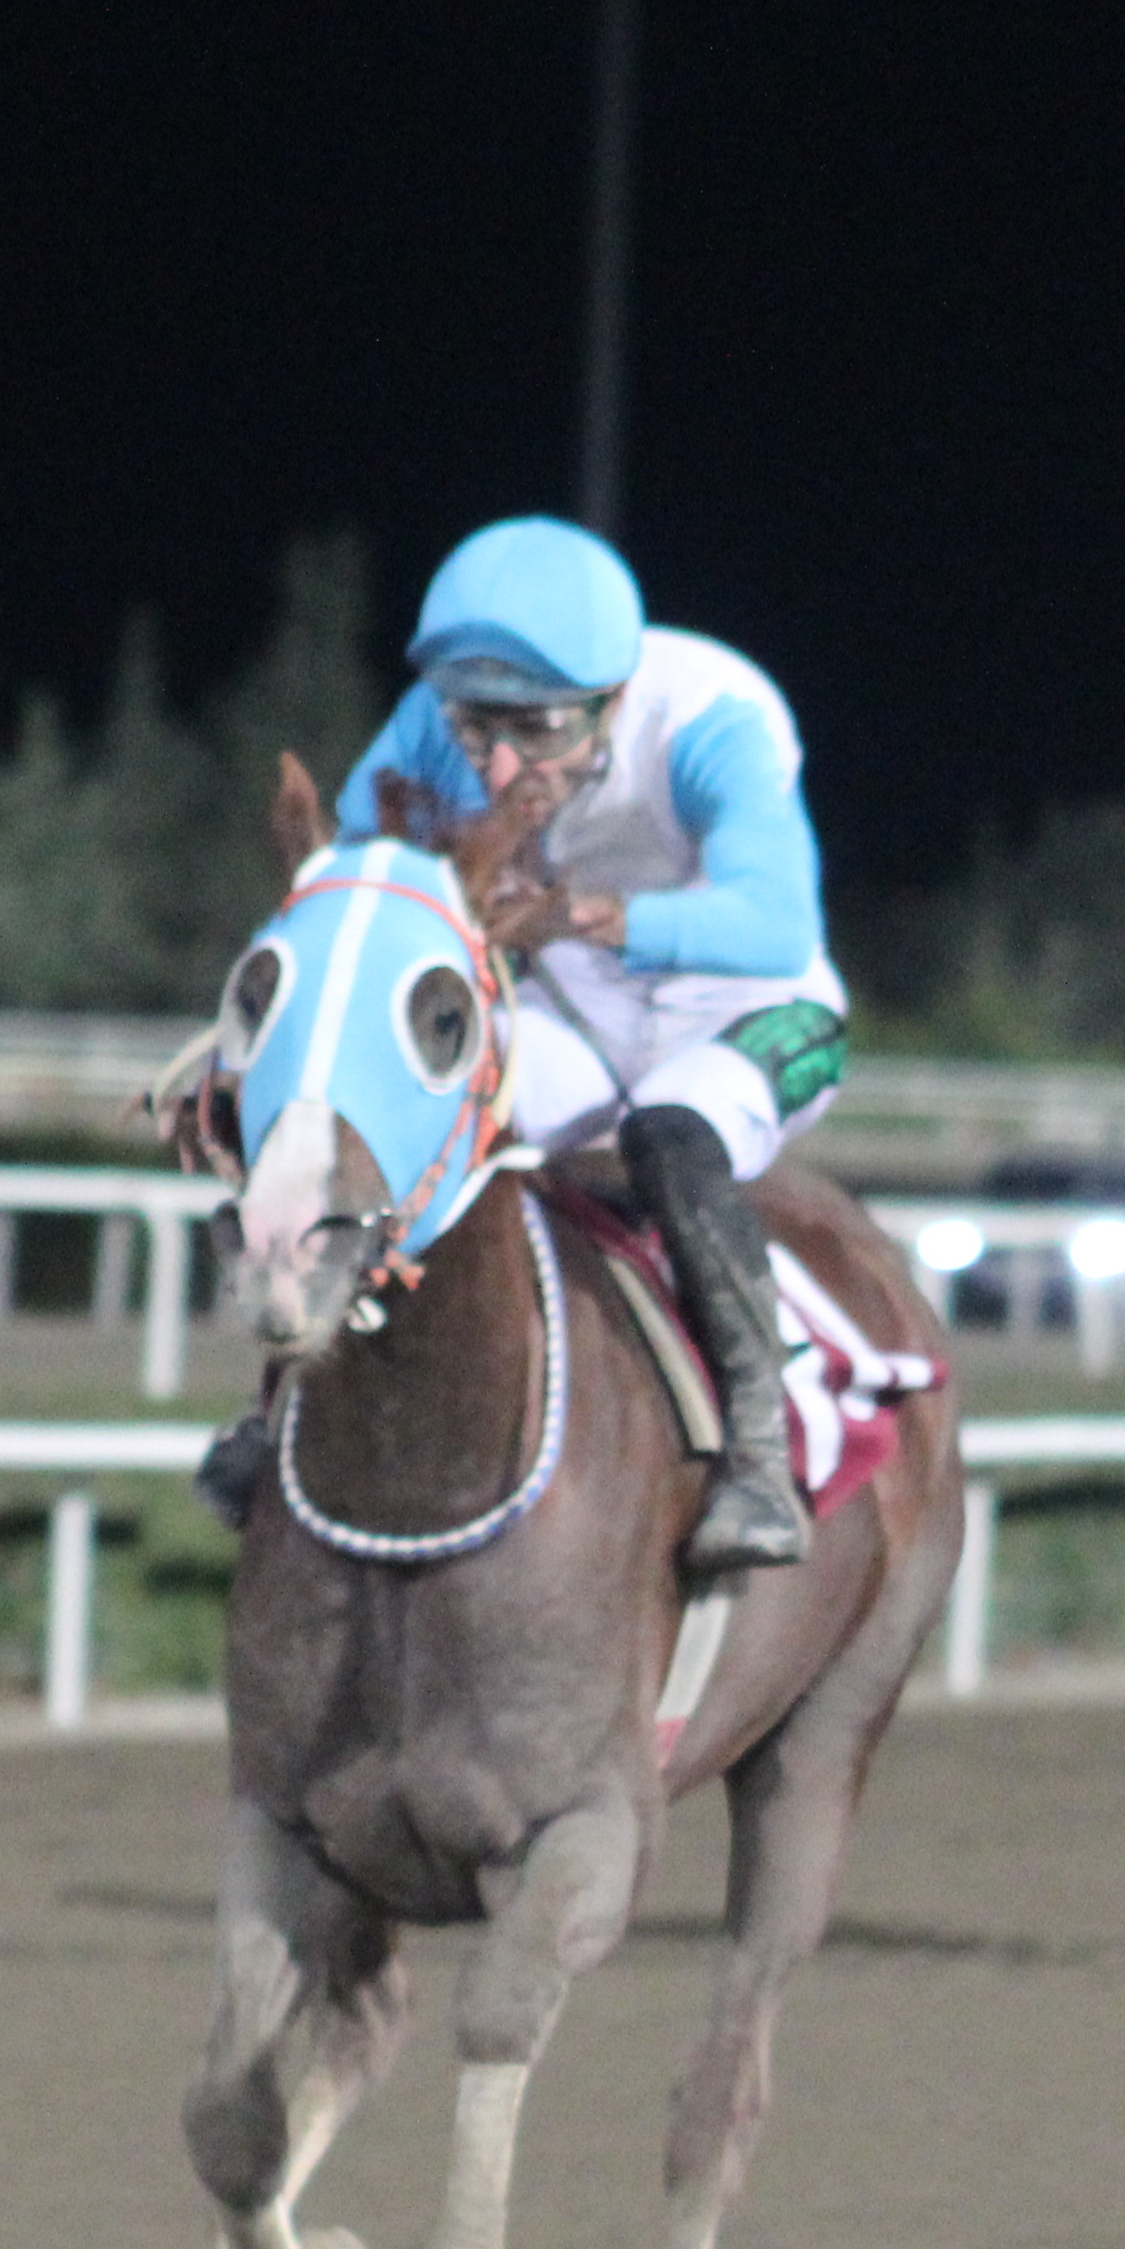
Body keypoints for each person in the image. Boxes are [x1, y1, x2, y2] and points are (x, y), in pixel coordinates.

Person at [199, 515, 846, 1576]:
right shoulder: (432, 720)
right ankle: (285, 1410)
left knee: (673, 1138)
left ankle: (761, 1456)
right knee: (420, 1119)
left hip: (752, 1012)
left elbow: (778, 924)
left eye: (537, 730)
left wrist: (588, 916)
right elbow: (351, 891)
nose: (501, 766)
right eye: (475, 728)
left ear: (614, 697)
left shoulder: (710, 720)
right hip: (577, 1012)